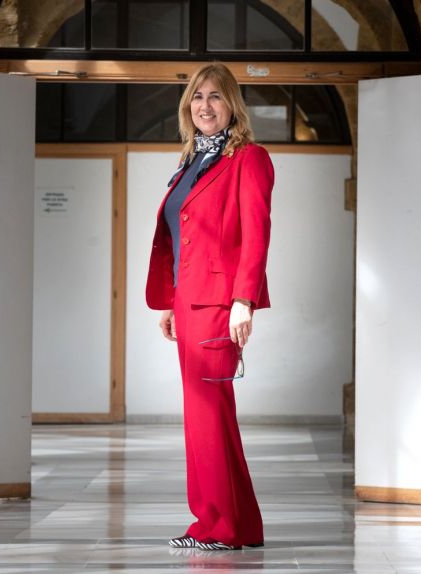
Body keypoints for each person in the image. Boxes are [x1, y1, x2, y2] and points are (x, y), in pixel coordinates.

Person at [145, 62, 273, 551]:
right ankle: (239, 525)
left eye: (215, 96)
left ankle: (219, 527)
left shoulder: (249, 159)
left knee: (208, 416)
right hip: (188, 300)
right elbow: (179, 237)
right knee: (205, 415)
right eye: (197, 97)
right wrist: (169, 300)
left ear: (232, 105)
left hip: (219, 304)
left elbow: (256, 235)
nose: (205, 105)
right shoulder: (191, 161)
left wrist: (243, 301)